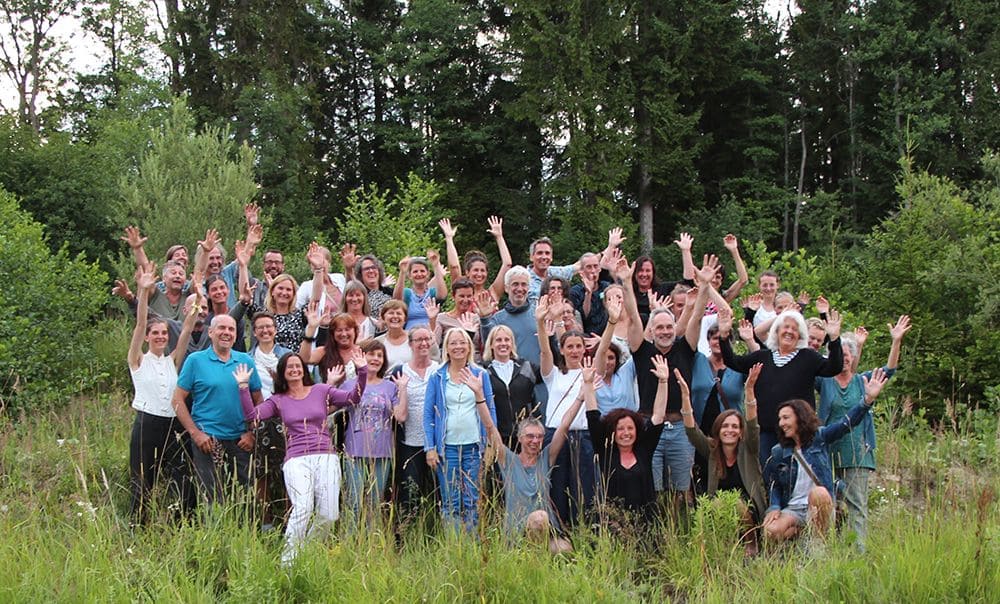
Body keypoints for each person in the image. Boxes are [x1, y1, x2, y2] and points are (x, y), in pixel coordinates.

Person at [235, 350, 367, 564]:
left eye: (298, 366)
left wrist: (362, 371)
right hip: (297, 459)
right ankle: (288, 563)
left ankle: (306, 551)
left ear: (304, 370)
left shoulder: (321, 390)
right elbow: (253, 416)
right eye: (289, 367)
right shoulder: (278, 400)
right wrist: (243, 387)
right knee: (303, 508)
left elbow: (354, 397)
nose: (294, 370)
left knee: (329, 514)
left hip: (326, 456)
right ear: (283, 373)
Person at [621, 253, 715, 505]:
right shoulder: (642, 351)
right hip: (650, 425)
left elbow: (696, 317)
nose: (664, 331)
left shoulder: (685, 348)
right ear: (651, 330)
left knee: (682, 490)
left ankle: (679, 535)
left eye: (668, 327)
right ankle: (657, 538)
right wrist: (626, 282)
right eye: (659, 327)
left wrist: (705, 286)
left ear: (675, 328)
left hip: (682, 429)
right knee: (653, 488)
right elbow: (631, 315)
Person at [762, 368, 889, 543]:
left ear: (800, 418)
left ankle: (818, 546)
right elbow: (774, 485)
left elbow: (845, 424)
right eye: (780, 419)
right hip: (794, 509)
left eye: (786, 418)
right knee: (770, 530)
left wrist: (866, 401)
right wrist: (775, 507)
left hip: (820, 504)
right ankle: (800, 535)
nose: (781, 423)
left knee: (819, 493)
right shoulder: (779, 452)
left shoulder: (819, 438)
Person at [817, 315, 910, 550]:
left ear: (853, 358)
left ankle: (859, 553)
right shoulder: (824, 381)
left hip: (857, 452)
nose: (845, 361)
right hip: (827, 452)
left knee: (857, 505)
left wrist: (896, 341)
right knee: (830, 505)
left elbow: (889, 370)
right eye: (841, 357)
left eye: (849, 357)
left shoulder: (863, 380)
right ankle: (830, 551)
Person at [718, 307, 845, 465]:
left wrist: (834, 339)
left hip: (798, 434)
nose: (789, 332)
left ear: (800, 335)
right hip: (766, 433)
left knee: (795, 481)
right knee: (768, 480)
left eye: (794, 329)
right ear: (777, 331)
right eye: (786, 327)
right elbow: (733, 361)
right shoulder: (763, 357)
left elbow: (834, 368)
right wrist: (723, 336)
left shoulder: (808, 357)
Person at [127, 263, 200, 523]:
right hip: (147, 424)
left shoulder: (172, 361)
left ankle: (183, 522)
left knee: (183, 475)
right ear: (147, 338)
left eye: (163, 333)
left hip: (173, 425)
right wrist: (144, 291)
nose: (160, 336)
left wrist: (198, 297)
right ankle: (138, 526)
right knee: (143, 479)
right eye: (155, 333)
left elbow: (189, 328)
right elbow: (139, 324)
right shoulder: (138, 360)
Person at [171, 314, 262, 503]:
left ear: (236, 335)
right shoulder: (195, 361)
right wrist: (195, 434)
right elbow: (177, 400)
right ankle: (214, 532)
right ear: (210, 332)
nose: (226, 333)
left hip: (241, 441)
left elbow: (258, 402)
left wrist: (252, 433)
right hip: (208, 440)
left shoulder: (245, 360)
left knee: (245, 499)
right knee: (212, 500)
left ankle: (246, 532)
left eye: (231, 329)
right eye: (221, 328)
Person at [681, 363, 766, 555]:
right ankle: (720, 549)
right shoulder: (712, 449)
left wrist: (750, 390)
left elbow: (753, 424)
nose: (730, 430)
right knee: (716, 505)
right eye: (725, 426)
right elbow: (691, 431)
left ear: (740, 431)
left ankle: (751, 543)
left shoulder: (749, 448)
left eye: (735, 427)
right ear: (718, 429)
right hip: (717, 508)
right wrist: (686, 398)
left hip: (747, 506)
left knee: (732, 503)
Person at [484, 398, 583, 553]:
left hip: (546, 532)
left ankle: (539, 563)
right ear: (520, 437)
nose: (535, 441)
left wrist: (581, 397)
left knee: (566, 549)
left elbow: (564, 426)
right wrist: (479, 397)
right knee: (539, 517)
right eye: (530, 436)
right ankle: (532, 562)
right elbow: (490, 428)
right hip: (516, 533)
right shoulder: (508, 460)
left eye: (539, 437)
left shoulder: (546, 458)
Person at [423, 328, 497, 532]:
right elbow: (428, 414)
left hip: (474, 446)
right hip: (447, 448)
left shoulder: (480, 374)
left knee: (471, 498)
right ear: (446, 348)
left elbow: (489, 409)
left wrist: (491, 443)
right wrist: (430, 447)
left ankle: (471, 543)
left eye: (462, 342)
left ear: (469, 347)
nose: (458, 347)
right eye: (453, 343)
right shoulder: (437, 377)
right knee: (451, 500)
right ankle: (454, 545)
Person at [585, 354, 669, 527]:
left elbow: (659, 416)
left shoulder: (644, 450)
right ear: (613, 432)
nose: (626, 433)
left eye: (630, 428)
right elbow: (593, 417)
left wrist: (663, 382)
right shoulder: (606, 452)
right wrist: (587, 385)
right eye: (621, 429)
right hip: (615, 525)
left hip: (647, 526)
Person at [535, 294, 595, 528]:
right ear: (562, 349)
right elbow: (544, 352)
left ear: (584, 349)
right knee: (557, 485)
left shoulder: (590, 373)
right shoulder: (553, 375)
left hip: (583, 435)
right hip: (556, 434)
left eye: (578, 346)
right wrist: (541, 323)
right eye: (569, 346)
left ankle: (584, 530)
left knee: (584, 487)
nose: (574, 351)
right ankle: (559, 530)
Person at [342, 339, 405, 526]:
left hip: (382, 452)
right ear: (362, 356)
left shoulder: (389, 386)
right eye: (372, 354)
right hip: (354, 451)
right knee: (353, 500)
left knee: (375, 502)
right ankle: (348, 542)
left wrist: (403, 389)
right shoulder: (349, 384)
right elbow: (330, 408)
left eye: (380, 355)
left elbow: (400, 416)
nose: (376, 359)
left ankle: (372, 544)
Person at [689, 306, 748, 493]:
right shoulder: (697, 361)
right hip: (701, 431)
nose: (717, 342)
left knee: (726, 477)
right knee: (701, 478)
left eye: (722, 338)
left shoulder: (739, 365)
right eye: (713, 338)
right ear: (708, 340)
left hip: (729, 432)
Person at [246, 312, 295, 527]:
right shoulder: (247, 358)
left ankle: (289, 519)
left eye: (269, 327)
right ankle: (265, 522)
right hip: (259, 419)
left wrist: (279, 382)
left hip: (285, 418)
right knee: (261, 471)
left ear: (275, 329)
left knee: (288, 471)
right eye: (260, 327)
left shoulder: (286, 355)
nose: (265, 331)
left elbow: (297, 384)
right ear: (254, 332)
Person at [389, 326, 440, 526]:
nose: (424, 343)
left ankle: (439, 535)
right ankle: (406, 536)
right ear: (410, 344)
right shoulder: (400, 371)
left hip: (437, 442)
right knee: (410, 492)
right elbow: (397, 412)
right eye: (418, 340)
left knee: (438, 492)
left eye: (427, 339)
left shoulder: (439, 369)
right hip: (410, 442)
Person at [483, 324, 540, 447]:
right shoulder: (483, 371)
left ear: (512, 344)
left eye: (507, 340)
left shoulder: (526, 367)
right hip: (496, 436)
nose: (503, 343)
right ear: (491, 345)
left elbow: (550, 368)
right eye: (498, 340)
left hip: (526, 436)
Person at [440, 216, 513, 304]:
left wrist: (499, 237)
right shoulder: (460, 289)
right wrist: (449, 238)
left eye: (482, 270)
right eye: (475, 270)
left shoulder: (493, 293)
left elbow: (507, 264)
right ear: (467, 272)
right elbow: (454, 266)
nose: (479, 274)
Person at [478, 266, 540, 365]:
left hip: (539, 378)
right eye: (515, 284)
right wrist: (485, 319)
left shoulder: (539, 315)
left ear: (529, 288)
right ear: (506, 288)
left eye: (524, 284)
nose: (520, 289)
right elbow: (489, 347)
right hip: (510, 378)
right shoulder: (498, 319)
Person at [631, 233, 696, 326]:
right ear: (634, 273)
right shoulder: (630, 292)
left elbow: (688, 282)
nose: (644, 274)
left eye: (648, 271)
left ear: (653, 273)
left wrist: (686, 251)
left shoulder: (663, 289)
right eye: (640, 271)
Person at [592, 296, 638, 416]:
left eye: (611, 358)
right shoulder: (592, 378)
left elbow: (642, 346)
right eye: (605, 358)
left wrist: (654, 312)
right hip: (604, 429)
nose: (607, 362)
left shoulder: (626, 372)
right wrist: (612, 321)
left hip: (629, 428)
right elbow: (601, 351)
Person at [394, 251, 447, 330]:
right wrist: (402, 272)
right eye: (415, 272)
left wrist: (436, 266)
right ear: (410, 276)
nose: (419, 274)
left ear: (428, 274)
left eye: (422, 271)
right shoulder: (407, 293)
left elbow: (443, 295)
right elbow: (397, 299)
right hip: (410, 333)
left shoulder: (432, 292)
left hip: (431, 332)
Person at [526, 237, 580, 304]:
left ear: (551, 257)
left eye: (547, 253)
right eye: (540, 253)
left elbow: (580, 265)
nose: (544, 257)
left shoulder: (556, 273)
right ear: (531, 257)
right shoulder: (523, 277)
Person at [375, 300, 413, 370]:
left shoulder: (414, 338)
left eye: (399, 313)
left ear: (405, 319)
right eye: (391, 313)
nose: (395, 316)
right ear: (384, 318)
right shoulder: (377, 342)